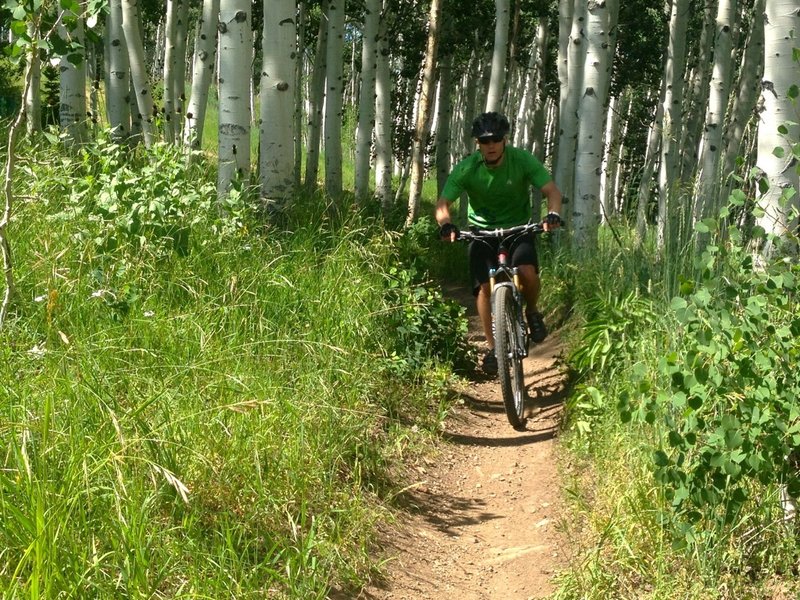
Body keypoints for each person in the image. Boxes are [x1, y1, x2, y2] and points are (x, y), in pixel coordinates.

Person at [435, 111, 563, 375]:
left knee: (527, 272)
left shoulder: (521, 160)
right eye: (484, 141)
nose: (490, 145)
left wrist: (552, 214)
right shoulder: (468, 168)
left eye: (495, 139)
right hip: (481, 233)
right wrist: (446, 225)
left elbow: (551, 191)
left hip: (518, 228)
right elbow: (443, 204)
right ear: (477, 144)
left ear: (504, 140)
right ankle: (494, 347)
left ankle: (533, 311)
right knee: (484, 288)